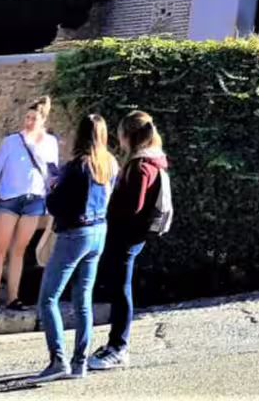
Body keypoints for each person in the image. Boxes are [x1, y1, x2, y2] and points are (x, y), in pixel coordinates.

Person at [37, 113, 116, 381]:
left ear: (80, 134)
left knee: (49, 298)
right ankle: (80, 361)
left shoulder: (77, 166)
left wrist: (51, 188)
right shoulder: (109, 163)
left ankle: (58, 360)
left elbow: (58, 205)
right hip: (99, 230)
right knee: (83, 298)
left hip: (75, 234)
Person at [90, 111, 170, 371]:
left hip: (126, 236)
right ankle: (116, 343)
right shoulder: (153, 159)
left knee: (121, 290)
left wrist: (108, 207)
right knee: (119, 288)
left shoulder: (140, 165)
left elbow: (132, 206)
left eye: (121, 134)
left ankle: (118, 347)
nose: (119, 140)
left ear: (129, 136)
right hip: (133, 236)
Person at [0, 96, 59, 314]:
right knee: (0, 249)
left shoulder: (50, 143)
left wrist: (52, 196)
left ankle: (13, 297)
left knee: (19, 250)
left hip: (34, 200)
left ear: (43, 120)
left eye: (33, 118)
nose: (28, 122)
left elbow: (53, 172)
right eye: (26, 117)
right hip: (9, 199)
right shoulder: (11, 141)